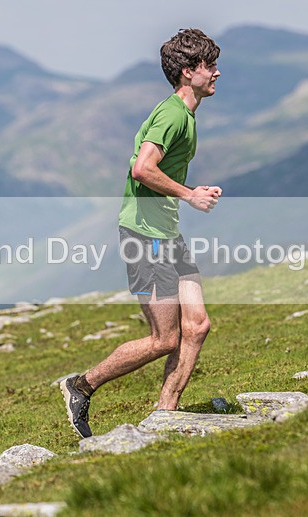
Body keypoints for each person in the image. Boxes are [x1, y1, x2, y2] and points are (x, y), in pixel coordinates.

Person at [60, 28, 223, 438]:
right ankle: (81, 385)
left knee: (197, 325)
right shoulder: (173, 115)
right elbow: (142, 168)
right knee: (164, 339)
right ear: (189, 72)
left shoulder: (183, 113)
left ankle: (165, 415)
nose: (218, 73)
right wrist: (190, 195)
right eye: (210, 66)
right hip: (144, 235)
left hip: (164, 232)